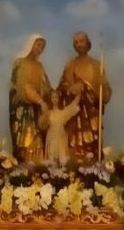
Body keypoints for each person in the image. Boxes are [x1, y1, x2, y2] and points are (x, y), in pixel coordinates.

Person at [58, 31, 111, 162]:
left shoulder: (96, 65)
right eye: (76, 42)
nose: (79, 45)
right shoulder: (70, 65)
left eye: (81, 41)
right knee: (75, 149)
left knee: (92, 147)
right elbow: (60, 89)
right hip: (75, 115)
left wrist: (100, 86)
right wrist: (70, 89)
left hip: (91, 114)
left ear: (88, 43)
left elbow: (105, 92)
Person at [9, 34, 51, 162]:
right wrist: (40, 101)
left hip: (37, 110)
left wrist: (54, 96)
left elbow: (46, 87)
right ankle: (24, 167)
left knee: (38, 140)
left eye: (42, 47)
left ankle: (37, 169)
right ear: (31, 44)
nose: (40, 49)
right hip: (23, 110)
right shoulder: (20, 63)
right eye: (38, 45)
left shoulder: (39, 66)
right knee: (25, 140)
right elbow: (23, 86)